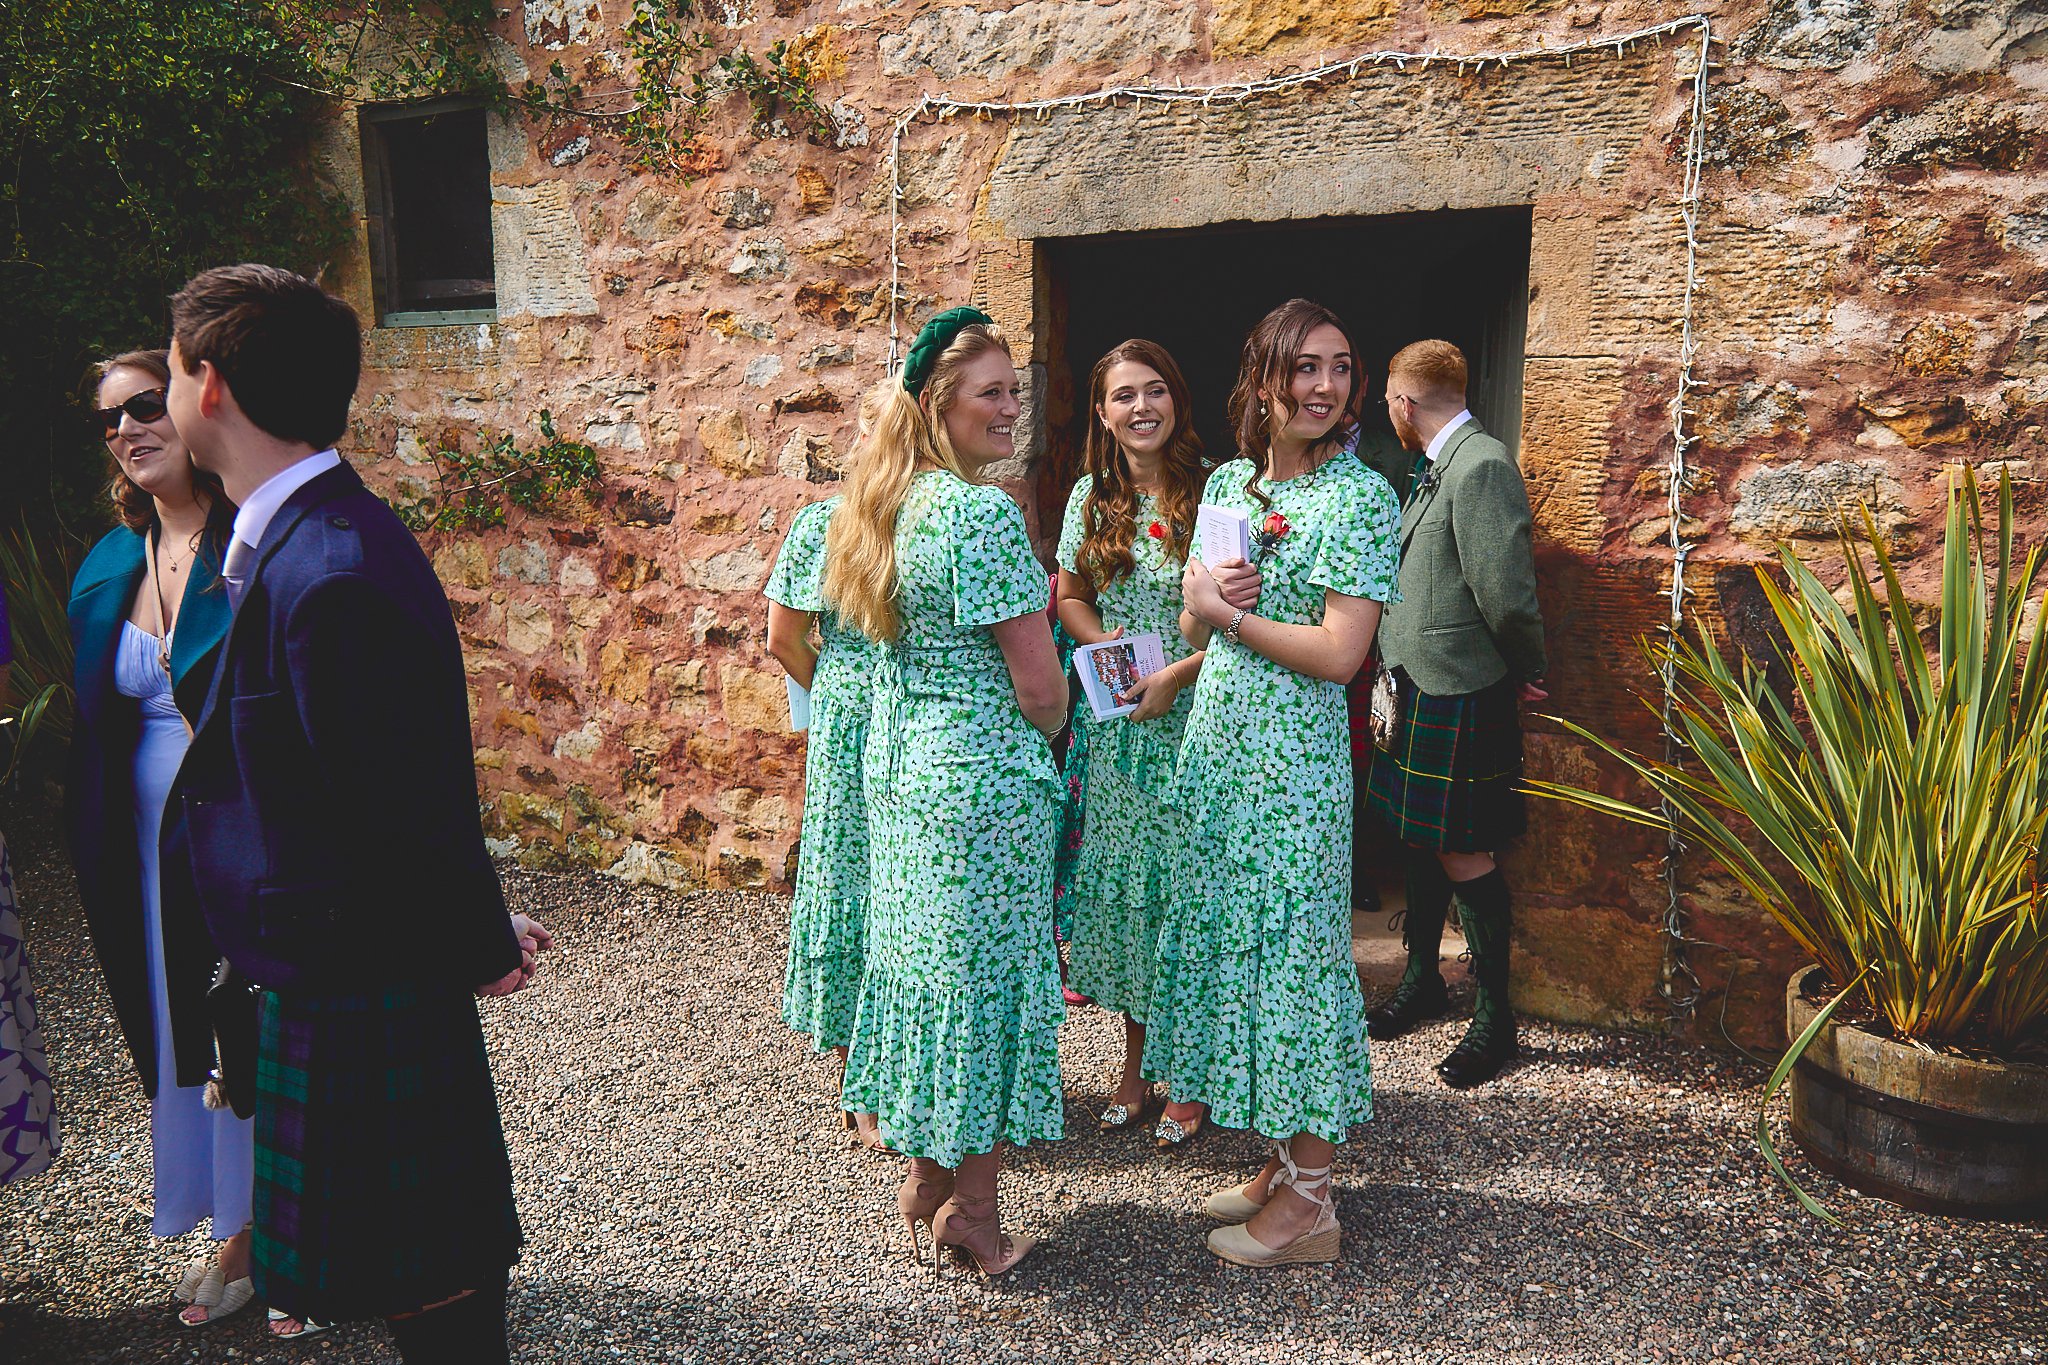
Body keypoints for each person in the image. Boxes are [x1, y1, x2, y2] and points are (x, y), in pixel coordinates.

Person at [159, 263, 548, 1361]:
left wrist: (473, 938)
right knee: (405, 1266)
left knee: (430, 1275)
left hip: (360, 977)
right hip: (334, 966)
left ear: (212, 384)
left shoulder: (330, 569)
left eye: (173, 369)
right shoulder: (290, 541)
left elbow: (408, 803)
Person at [1146, 298, 1400, 1267]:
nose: (1321, 385)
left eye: (1338, 367)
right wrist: (1196, 605)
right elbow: (1192, 628)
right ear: (1262, 381)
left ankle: (1310, 1208)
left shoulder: (1360, 498)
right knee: (1239, 953)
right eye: (1302, 367)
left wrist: (1228, 615)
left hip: (1289, 775)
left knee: (1293, 964)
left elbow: (1341, 653)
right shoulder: (1228, 483)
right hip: (1219, 758)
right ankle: (1279, 1163)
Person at [826, 307, 1068, 1278]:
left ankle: (926, 1177)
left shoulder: (884, 504)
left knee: (932, 980)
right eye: (991, 394)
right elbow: (1040, 685)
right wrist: (1052, 743)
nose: (1011, 408)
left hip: (904, 780)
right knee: (980, 996)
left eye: (1015, 391)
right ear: (939, 405)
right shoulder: (976, 514)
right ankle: (971, 1214)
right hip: (977, 790)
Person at [64, 351, 249, 1325]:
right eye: (110, 419)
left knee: (237, 1020)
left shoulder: (248, 543)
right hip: (139, 844)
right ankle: (225, 1214)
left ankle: (254, 1236)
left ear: (186, 407)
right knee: (174, 1026)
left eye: (144, 405)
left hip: (230, 834)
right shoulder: (108, 563)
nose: (129, 428)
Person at [1363, 340, 1547, 1089]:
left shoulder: (1481, 466)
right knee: (1418, 837)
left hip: (1458, 686)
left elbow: (1505, 592)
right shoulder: (1438, 462)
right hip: (1413, 684)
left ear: (1404, 403)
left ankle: (1497, 1015)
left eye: (1388, 405)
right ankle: (1423, 979)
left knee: (1464, 848)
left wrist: (1529, 668)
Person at [1054, 339, 1210, 1146]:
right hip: (1118, 725)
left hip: (1190, 718)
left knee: (1185, 897)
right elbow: (1069, 594)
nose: (1141, 407)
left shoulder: (1217, 491)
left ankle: (1188, 1073)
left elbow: (1236, 620)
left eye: (1155, 390)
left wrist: (1175, 676)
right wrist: (1099, 635)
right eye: (1124, 396)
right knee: (1128, 900)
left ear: (1176, 399)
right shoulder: (1090, 494)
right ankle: (1132, 1066)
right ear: (1103, 412)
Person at [765, 383, 887, 1152]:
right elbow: (785, 637)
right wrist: (841, 696)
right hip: (851, 723)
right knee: (850, 878)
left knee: (903, 893)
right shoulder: (824, 525)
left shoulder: (934, 526)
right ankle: (856, 1073)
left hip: (921, 723)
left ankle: (901, 1063)